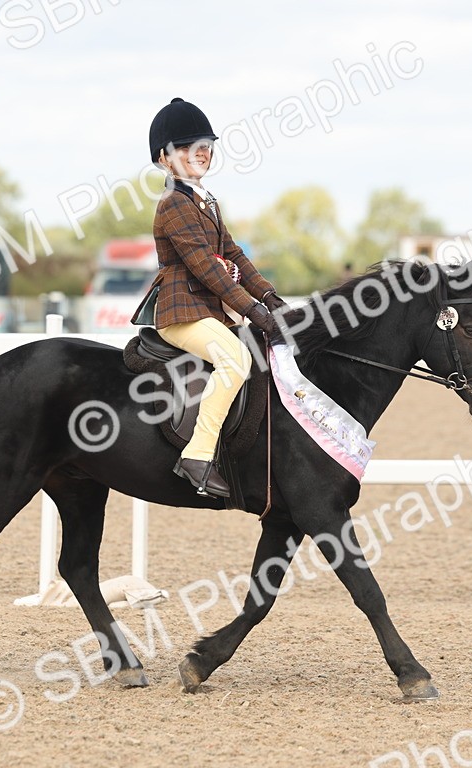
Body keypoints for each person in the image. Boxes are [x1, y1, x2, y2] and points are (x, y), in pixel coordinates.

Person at [143, 98, 287, 498]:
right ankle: (199, 455)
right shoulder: (173, 204)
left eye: (205, 144)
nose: (201, 152)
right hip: (181, 311)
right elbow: (206, 267)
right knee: (237, 359)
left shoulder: (206, 200)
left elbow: (235, 254)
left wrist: (271, 297)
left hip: (207, 311)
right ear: (164, 159)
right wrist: (254, 310)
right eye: (188, 147)